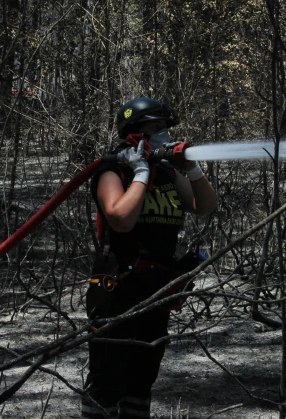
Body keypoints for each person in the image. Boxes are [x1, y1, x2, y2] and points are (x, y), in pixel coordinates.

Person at [82, 97, 217, 419]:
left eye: (165, 130)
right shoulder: (112, 170)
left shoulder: (167, 174)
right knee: (108, 378)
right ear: (134, 134)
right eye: (155, 129)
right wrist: (140, 171)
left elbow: (204, 207)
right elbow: (121, 219)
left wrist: (193, 170)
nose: (163, 136)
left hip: (157, 288)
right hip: (118, 287)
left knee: (143, 376)